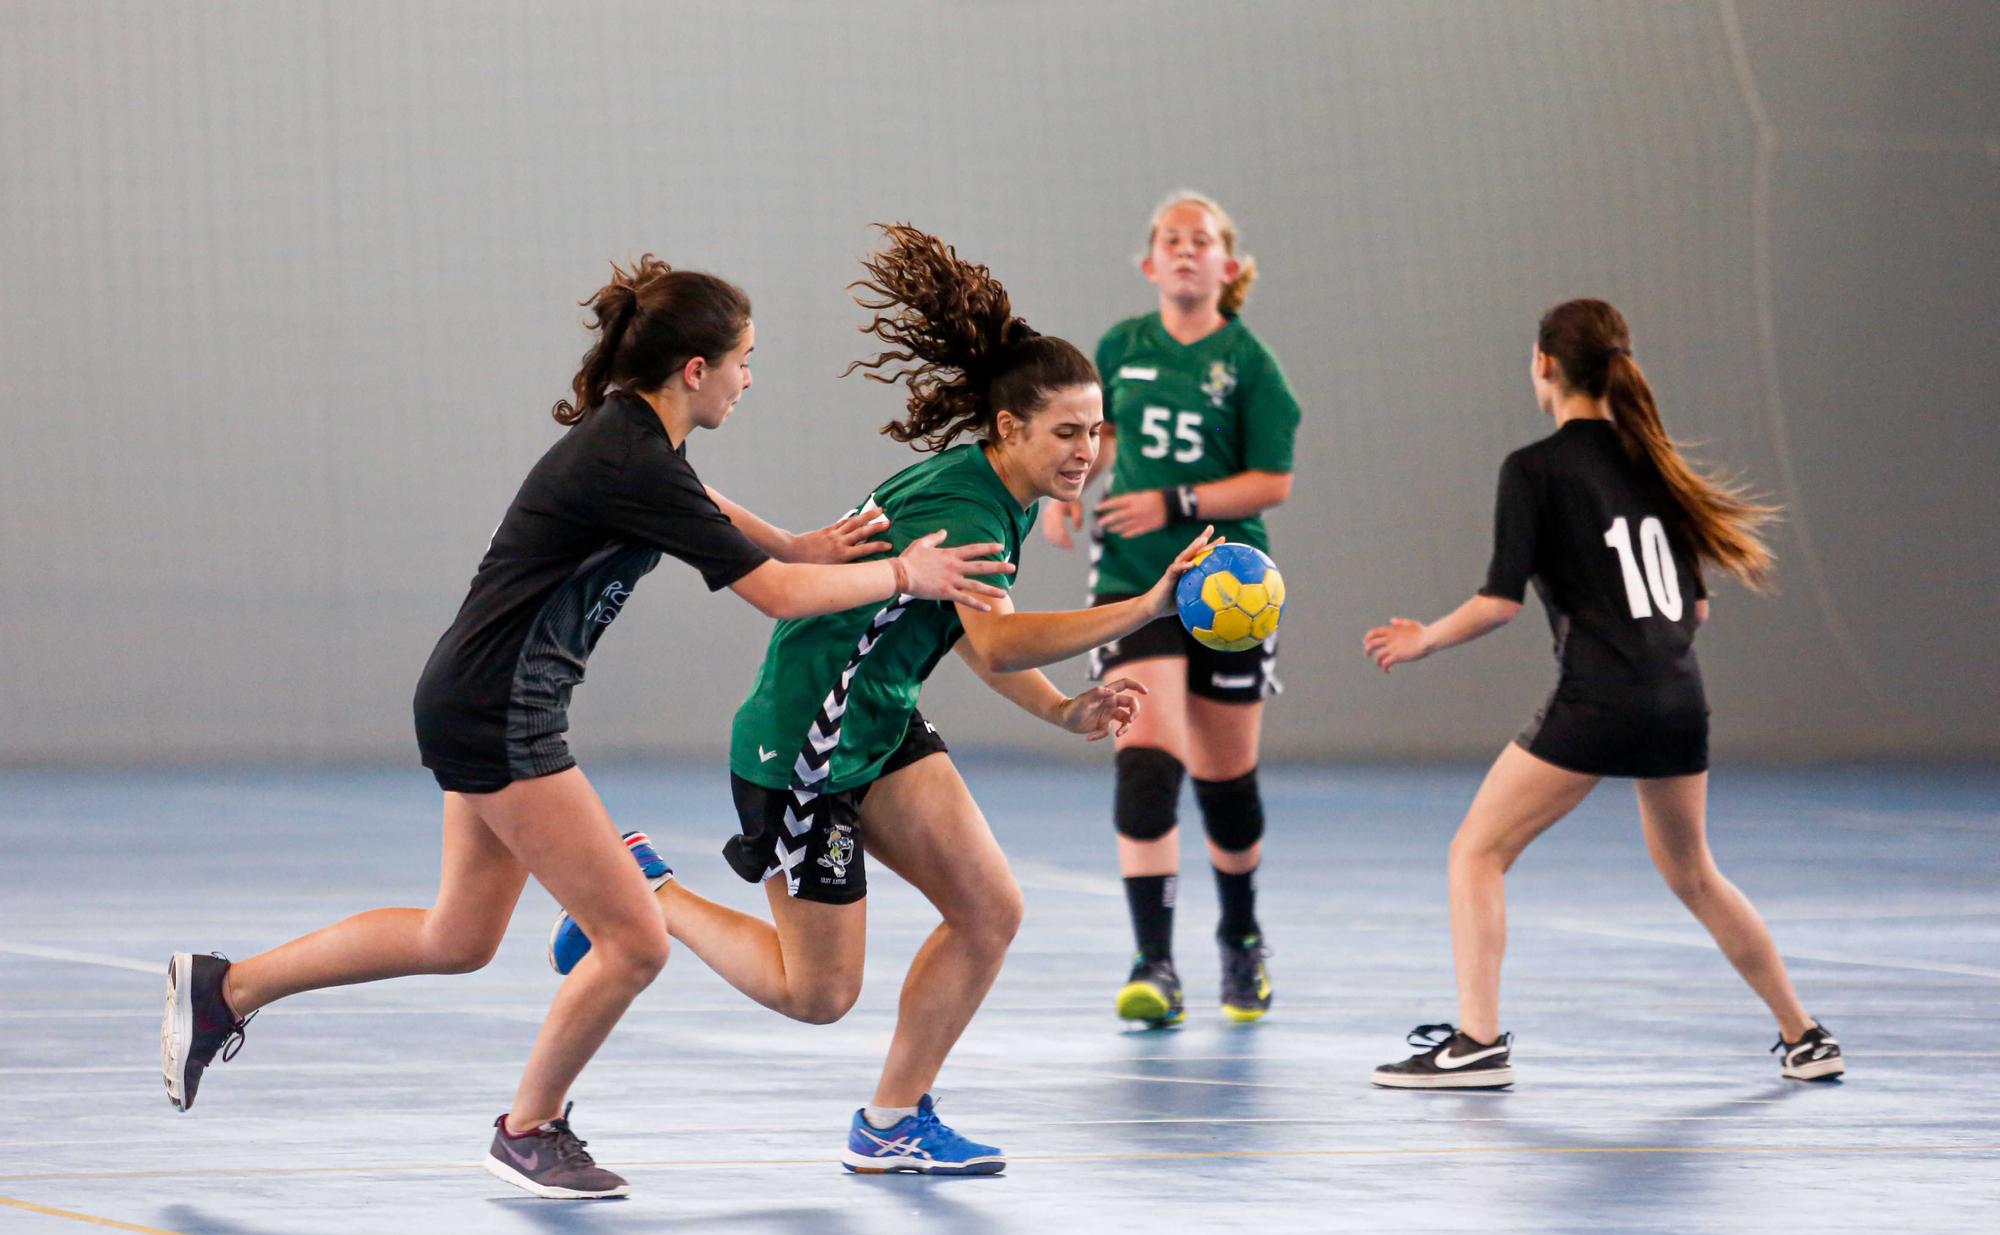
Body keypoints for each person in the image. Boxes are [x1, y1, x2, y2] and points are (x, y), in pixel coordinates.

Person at [160, 256, 1015, 1198]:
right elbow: (778, 600)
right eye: (744, 360)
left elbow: (707, 511)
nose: (749, 377)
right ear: (696, 369)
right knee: (635, 941)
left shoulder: (637, 445)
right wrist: (903, 575)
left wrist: (800, 539)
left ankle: (224, 989)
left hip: (471, 698)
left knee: (458, 936)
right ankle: (529, 1126)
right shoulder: (629, 457)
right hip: (502, 714)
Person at [548, 225, 1216, 1173]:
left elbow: (977, 639)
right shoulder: (973, 505)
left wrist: (1064, 709)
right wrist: (1144, 607)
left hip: (880, 718)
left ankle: (893, 1122)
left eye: (1095, 429)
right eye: (1066, 431)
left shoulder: (1005, 495)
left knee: (989, 909)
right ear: (1010, 429)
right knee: (817, 994)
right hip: (805, 746)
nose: (1085, 449)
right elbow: (996, 637)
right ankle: (644, 885)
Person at [1362, 297, 1844, 1089]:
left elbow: (1500, 601)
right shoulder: (1651, 463)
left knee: (1476, 853)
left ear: (1544, 364)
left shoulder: (1534, 467)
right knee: (1695, 874)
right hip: (1680, 696)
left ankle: (1477, 1041)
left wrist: (1424, 638)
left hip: (1600, 698)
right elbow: (1694, 607)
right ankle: (1806, 1033)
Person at [1041, 191, 1300, 1027]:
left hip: (1226, 587)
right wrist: (1069, 487)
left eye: (1204, 240)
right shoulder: (1121, 346)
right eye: (1171, 240)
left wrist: (1177, 501)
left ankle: (1241, 936)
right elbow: (1098, 434)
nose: (1186, 250)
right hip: (1132, 581)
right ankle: (1154, 960)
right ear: (1151, 264)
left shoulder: (1250, 363)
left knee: (1227, 782)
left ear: (1229, 265)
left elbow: (1272, 481)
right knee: (1147, 762)